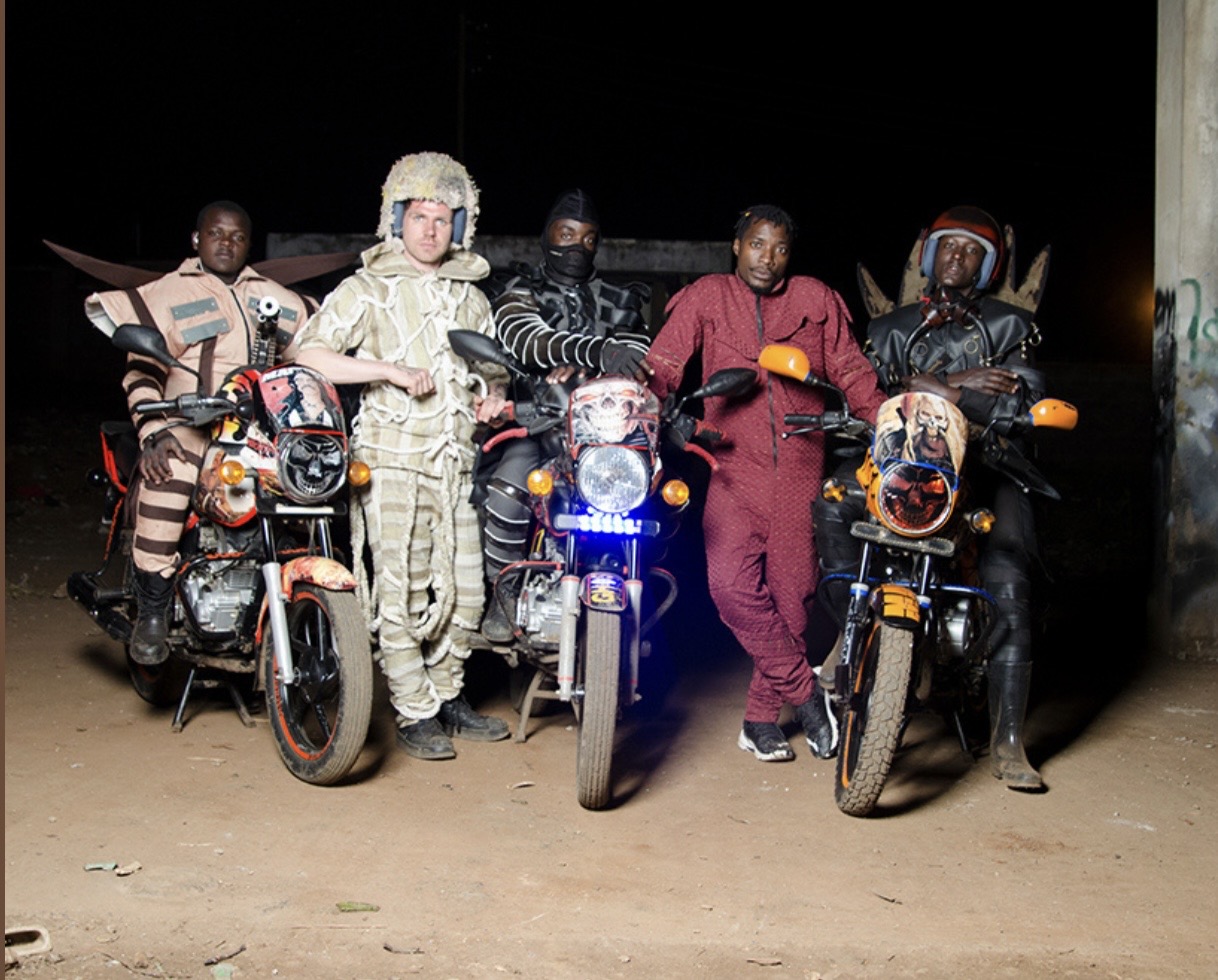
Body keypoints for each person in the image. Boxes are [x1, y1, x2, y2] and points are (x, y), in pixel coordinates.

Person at [815, 205, 1048, 790]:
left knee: (1010, 573)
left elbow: (1023, 402)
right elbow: (864, 396)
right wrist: (961, 385)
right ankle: (851, 628)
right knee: (834, 499)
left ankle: (1009, 742)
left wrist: (942, 389)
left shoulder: (1010, 327)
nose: (958, 257)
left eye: (973, 251)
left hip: (984, 469)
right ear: (929, 255)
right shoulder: (890, 328)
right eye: (949, 246)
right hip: (898, 466)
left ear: (988, 266)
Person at [643, 205, 887, 763]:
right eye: (757, 244)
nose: (767, 258)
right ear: (736, 245)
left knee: (795, 598)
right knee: (731, 587)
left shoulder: (816, 300)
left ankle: (758, 720)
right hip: (731, 466)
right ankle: (805, 698)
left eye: (778, 248)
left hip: (802, 465)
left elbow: (850, 370)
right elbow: (664, 364)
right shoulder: (707, 296)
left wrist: (885, 420)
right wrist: (645, 408)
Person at [293, 152, 512, 761]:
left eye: (443, 219)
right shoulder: (366, 288)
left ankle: (445, 696)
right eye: (419, 216)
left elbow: (492, 374)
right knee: (400, 592)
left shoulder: (471, 297)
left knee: (468, 592)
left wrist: (493, 401)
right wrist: (384, 370)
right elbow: (309, 355)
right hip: (390, 458)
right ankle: (414, 710)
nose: (431, 230)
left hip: (454, 465)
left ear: (459, 227)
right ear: (398, 219)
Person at [84, 201, 318, 666]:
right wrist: (153, 431)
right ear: (197, 239)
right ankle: (152, 614)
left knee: (312, 481)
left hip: (256, 427)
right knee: (167, 473)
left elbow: (317, 350)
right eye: (216, 233)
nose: (226, 243)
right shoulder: (168, 291)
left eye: (237, 236)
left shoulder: (274, 295)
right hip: (186, 423)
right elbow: (140, 374)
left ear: (249, 244)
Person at [477, 189, 651, 641]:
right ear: (547, 237)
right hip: (536, 422)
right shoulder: (518, 290)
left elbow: (638, 354)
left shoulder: (621, 299)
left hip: (604, 432)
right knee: (508, 488)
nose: (577, 247)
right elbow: (527, 340)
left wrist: (611, 357)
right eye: (567, 234)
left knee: (650, 497)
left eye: (588, 239)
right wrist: (598, 351)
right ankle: (505, 591)